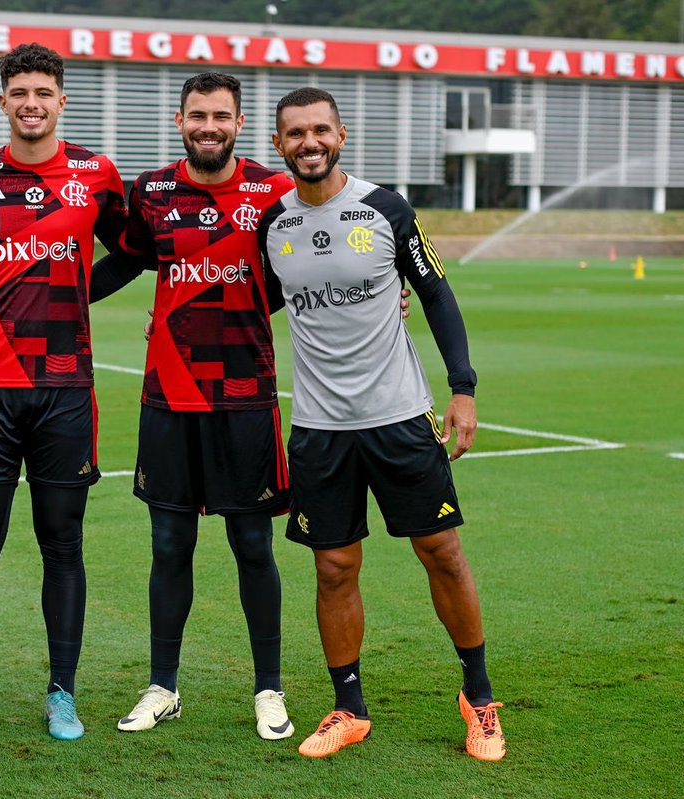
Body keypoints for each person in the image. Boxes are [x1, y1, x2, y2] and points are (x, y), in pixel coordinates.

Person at [259, 87, 506, 761]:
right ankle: (348, 706)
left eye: (319, 130)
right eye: (294, 134)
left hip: (400, 417)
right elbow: (258, 306)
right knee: (335, 567)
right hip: (318, 428)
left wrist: (463, 389)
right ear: (278, 144)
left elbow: (435, 292)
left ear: (341, 134)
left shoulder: (386, 207)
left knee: (442, 552)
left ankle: (479, 698)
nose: (308, 142)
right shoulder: (271, 225)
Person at [88, 73, 298, 740]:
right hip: (168, 397)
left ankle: (269, 687)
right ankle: (163, 685)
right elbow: (121, 264)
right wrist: (25, 300)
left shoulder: (274, 191)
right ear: (180, 120)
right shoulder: (150, 192)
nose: (209, 126)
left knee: (252, 543)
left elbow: (304, 272)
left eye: (221, 116)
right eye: (198, 115)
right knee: (169, 543)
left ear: (239, 122)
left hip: (244, 397)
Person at [0, 43, 126, 743]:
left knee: (62, 544)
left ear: (61, 100)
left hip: (65, 389)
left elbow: (136, 248)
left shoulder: (97, 175)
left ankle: (62, 693)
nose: (32, 103)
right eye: (20, 92)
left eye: (44, 91)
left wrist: (79, 292)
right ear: (4, 101)